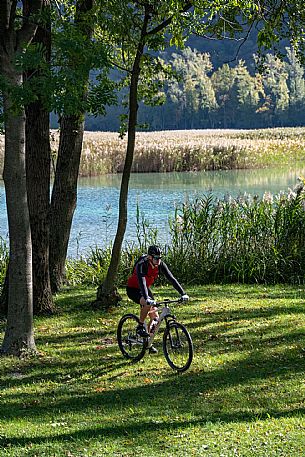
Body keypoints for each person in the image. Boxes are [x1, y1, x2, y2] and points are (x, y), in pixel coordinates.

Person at [126, 245, 189, 354]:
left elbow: (172, 279)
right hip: (134, 289)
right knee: (147, 304)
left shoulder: (160, 265)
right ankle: (140, 326)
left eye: (160, 258)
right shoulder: (142, 265)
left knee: (155, 318)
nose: (158, 260)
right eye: (156, 258)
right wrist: (146, 298)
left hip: (145, 289)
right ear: (150, 257)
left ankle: (148, 343)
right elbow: (142, 282)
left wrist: (183, 293)